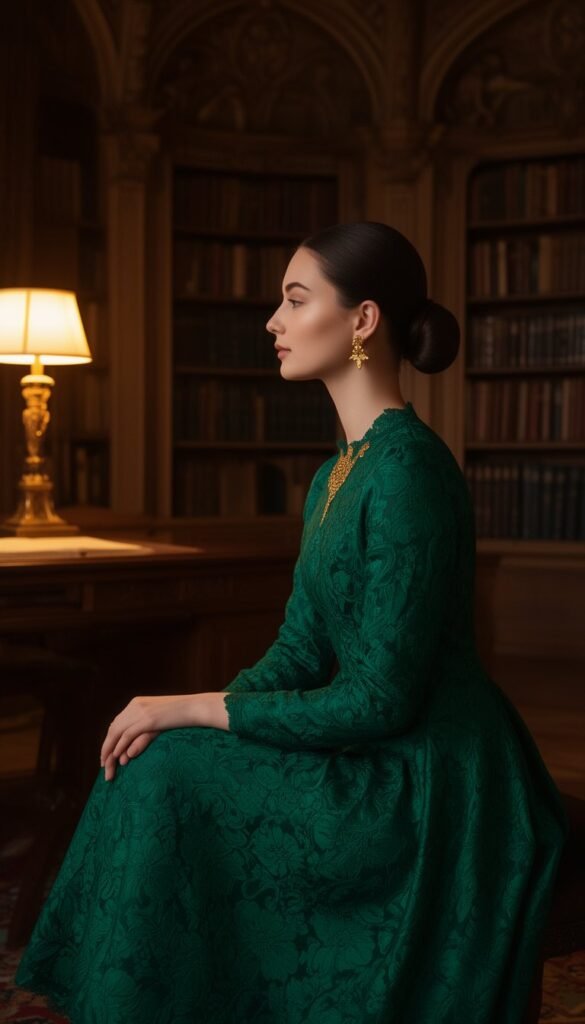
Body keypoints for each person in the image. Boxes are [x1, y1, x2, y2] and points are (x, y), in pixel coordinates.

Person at [15, 221, 568, 1023]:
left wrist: (202, 708)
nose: (272, 320)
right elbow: (302, 646)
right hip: (372, 743)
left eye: (295, 299)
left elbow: (383, 701)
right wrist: (192, 716)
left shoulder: (410, 471)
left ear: (363, 322)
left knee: (169, 769)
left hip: (423, 776)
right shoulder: (336, 473)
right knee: (158, 756)